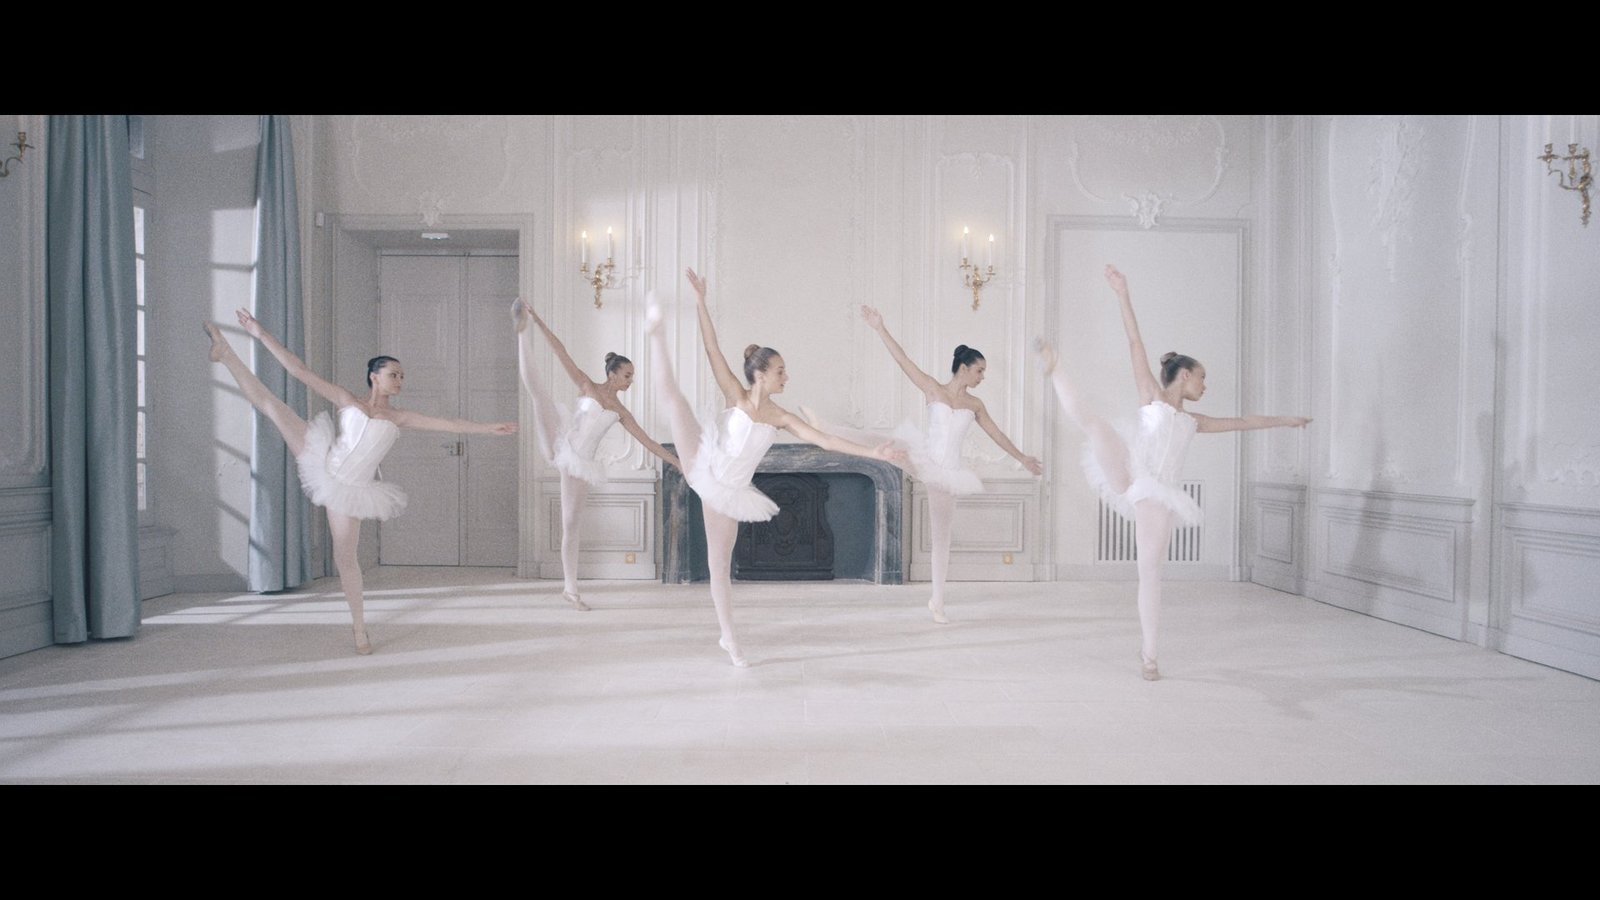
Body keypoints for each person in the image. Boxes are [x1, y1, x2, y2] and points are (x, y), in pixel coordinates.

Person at [1036, 265, 1310, 680]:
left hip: (1158, 495)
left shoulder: (1194, 422)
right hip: (1129, 471)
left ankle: (1149, 655)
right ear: (1184, 375)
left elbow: (1243, 422)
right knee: (1095, 425)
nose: (1205, 385)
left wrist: (1286, 420)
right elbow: (1135, 342)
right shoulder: (1151, 395)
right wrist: (1122, 294)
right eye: (1202, 378)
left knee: (1150, 572)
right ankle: (1056, 368)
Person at [205, 310, 516, 655]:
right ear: (374, 376)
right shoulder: (346, 399)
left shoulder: (399, 417)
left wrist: (489, 428)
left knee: (346, 558)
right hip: (323, 460)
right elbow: (298, 370)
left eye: (402, 376)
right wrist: (260, 332)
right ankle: (226, 354)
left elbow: (449, 424)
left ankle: (359, 628)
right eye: (393, 374)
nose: (399, 380)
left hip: (350, 491)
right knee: (273, 406)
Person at [646, 268, 903, 667]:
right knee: (675, 401)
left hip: (729, 493)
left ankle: (729, 638)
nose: (787, 376)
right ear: (761, 374)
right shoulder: (735, 394)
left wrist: (876, 454)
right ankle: (656, 333)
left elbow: (826, 441)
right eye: (781, 370)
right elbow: (712, 348)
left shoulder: (780, 417)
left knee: (719, 567)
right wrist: (700, 300)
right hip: (703, 461)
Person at [859, 306, 1042, 624]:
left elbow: (997, 434)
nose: (982, 377)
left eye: (984, 372)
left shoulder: (975, 404)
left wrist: (1022, 457)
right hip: (925, 460)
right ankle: (830, 434)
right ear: (964, 368)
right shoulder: (934, 389)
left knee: (941, 537)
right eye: (980, 370)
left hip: (949, 473)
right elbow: (903, 360)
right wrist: (880, 327)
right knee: (885, 444)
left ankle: (938, 602)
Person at [513, 299, 680, 611]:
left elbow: (649, 443)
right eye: (628, 375)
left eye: (632, 376)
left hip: (581, 464)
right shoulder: (586, 385)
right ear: (613, 374)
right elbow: (561, 351)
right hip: (561, 443)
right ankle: (521, 332)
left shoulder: (621, 411)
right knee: (539, 395)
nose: (631, 380)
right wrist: (537, 322)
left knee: (571, 525)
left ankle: (570, 590)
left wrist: (677, 462)